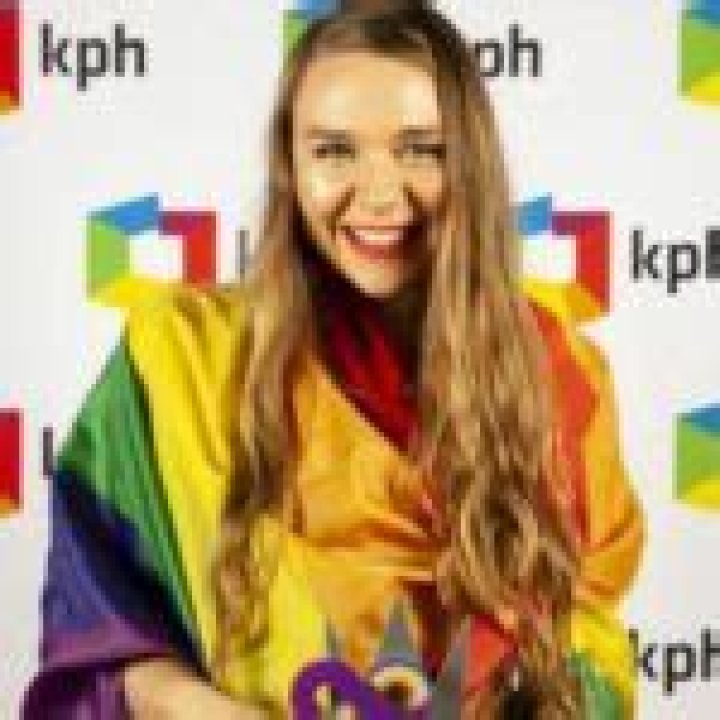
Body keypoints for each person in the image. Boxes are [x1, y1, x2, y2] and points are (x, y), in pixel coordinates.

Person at [23, 0, 644, 717]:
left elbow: (587, 644)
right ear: (290, 166)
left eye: (420, 149)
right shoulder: (182, 360)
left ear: (470, 164)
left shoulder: (556, 376)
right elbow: (99, 643)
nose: (378, 195)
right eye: (334, 151)